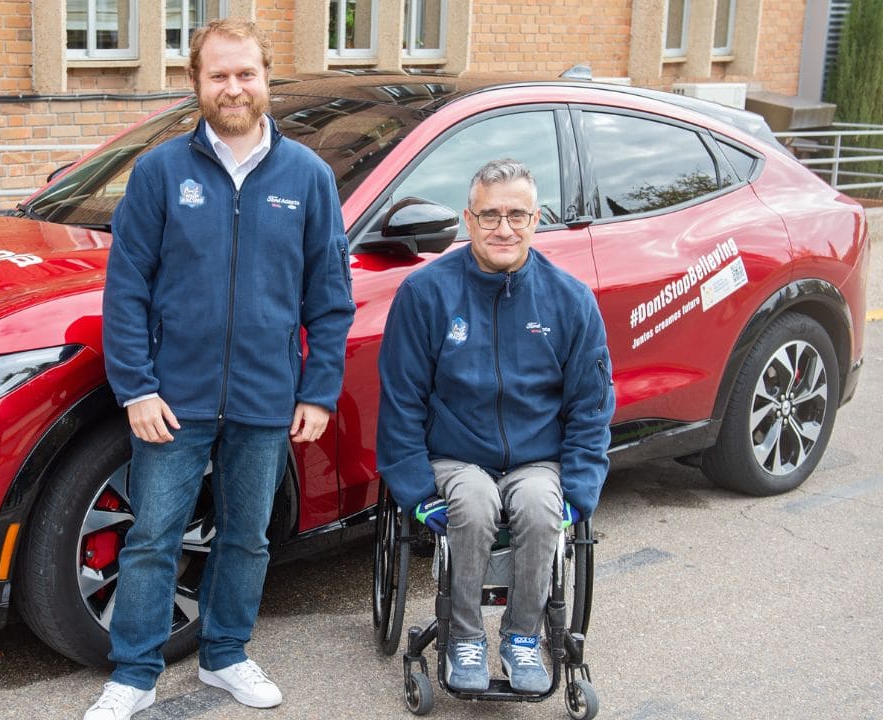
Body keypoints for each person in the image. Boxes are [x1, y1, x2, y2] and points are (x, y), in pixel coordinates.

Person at [88, 18, 355, 720]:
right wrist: (137, 387)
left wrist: (319, 389)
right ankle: (135, 671)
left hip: (268, 396)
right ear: (195, 84)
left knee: (246, 536)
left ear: (267, 78)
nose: (233, 88)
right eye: (219, 76)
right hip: (173, 399)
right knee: (152, 536)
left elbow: (329, 298)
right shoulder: (159, 173)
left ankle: (226, 655)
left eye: (246, 74)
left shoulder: (307, 177)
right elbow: (126, 291)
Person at [376, 158, 614, 695]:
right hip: (457, 454)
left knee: (538, 506)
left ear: (536, 220)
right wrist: (414, 489)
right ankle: (464, 637)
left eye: (517, 215)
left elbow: (591, 405)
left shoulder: (570, 300)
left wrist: (579, 488)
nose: (503, 228)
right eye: (489, 215)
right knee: (475, 504)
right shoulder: (426, 294)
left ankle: (523, 638)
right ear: (468, 219)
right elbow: (399, 401)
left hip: (537, 457)